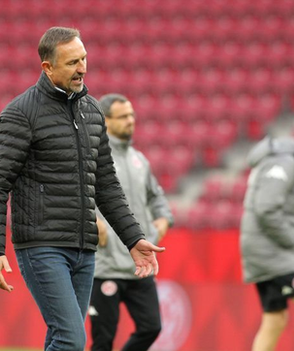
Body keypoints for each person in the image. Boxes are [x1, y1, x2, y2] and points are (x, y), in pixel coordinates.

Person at [0, 27, 165, 351]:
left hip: (84, 248)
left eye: (84, 59)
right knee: (71, 339)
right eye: (72, 63)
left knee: (61, 338)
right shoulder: (20, 113)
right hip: (42, 245)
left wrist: (133, 239)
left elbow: (106, 184)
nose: (81, 68)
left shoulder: (93, 112)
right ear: (47, 67)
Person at [88, 94, 174, 351]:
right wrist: (92, 219)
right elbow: (73, 192)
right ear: (105, 120)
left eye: (132, 115)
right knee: (103, 341)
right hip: (105, 265)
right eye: (123, 116)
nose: (131, 121)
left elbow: (157, 197)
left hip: (139, 266)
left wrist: (163, 221)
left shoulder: (140, 160)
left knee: (151, 327)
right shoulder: (93, 156)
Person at [240, 127, 294, 351]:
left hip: (265, 251)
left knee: (275, 318)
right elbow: (266, 208)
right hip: (271, 253)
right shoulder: (284, 162)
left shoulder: (282, 160)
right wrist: (290, 239)